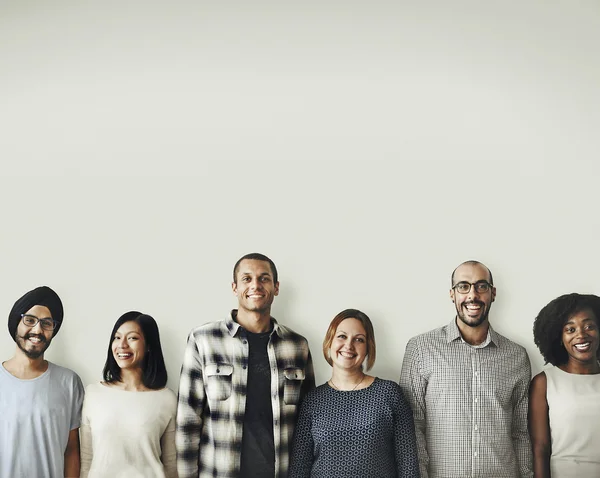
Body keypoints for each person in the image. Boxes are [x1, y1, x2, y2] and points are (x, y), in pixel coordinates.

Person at [176, 252, 315, 478]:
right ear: (234, 287)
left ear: (276, 287)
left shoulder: (297, 346)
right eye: (247, 279)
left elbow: (307, 423)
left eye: (264, 278)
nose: (255, 285)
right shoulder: (204, 340)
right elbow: (188, 419)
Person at [399, 260, 533, 478]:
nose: (473, 295)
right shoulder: (421, 348)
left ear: (493, 293)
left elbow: (521, 432)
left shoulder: (516, 356)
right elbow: (412, 426)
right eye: (463, 286)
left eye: (481, 286)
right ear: (452, 294)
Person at [289, 308, 420, 478]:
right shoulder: (313, 400)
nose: (349, 345)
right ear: (330, 341)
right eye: (342, 336)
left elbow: (408, 465)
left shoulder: (389, 393)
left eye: (359, 340)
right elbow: (299, 468)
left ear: (368, 349)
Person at [80, 311, 177, 478]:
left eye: (132, 338)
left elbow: (171, 465)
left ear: (148, 346)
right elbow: (86, 461)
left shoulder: (166, 399)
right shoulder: (93, 394)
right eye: (117, 338)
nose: (122, 345)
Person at [0, 285, 84, 478]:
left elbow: (71, 451)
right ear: (16, 324)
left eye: (46, 323)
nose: (37, 330)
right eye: (29, 320)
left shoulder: (69, 382)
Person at [529, 293, 600, 477]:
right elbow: (540, 449)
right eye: (570, 329)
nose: (581, 335)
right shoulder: (544, 382)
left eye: (589, 326)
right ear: (559, 337)